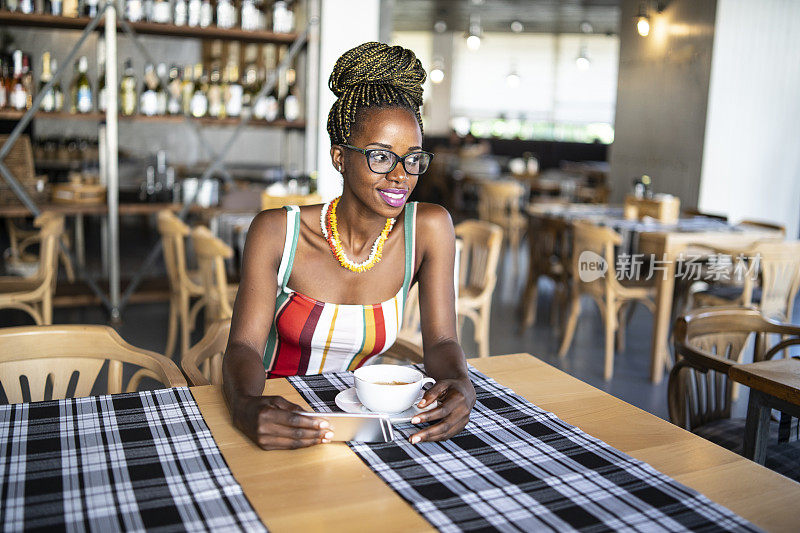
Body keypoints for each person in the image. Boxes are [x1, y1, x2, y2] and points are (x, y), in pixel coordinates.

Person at [223, 42, 475, 450]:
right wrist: (247, 407)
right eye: (379, 156)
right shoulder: (277, 231)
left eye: (412, 158)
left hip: (360, 423)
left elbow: (443, 343)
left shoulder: (428, 228)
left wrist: (462, 386)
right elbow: (243, 348)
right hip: (280, 412)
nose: (400, 176)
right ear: (340, 157)